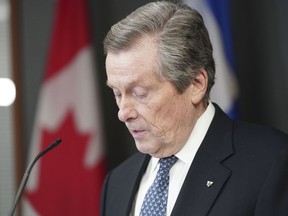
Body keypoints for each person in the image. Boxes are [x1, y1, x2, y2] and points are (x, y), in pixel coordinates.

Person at [100, 1, 288, 216]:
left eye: (140, 93)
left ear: (196, 84)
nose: (123, 113)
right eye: (116, 93)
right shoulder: (117, 183)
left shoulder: (271, 163)